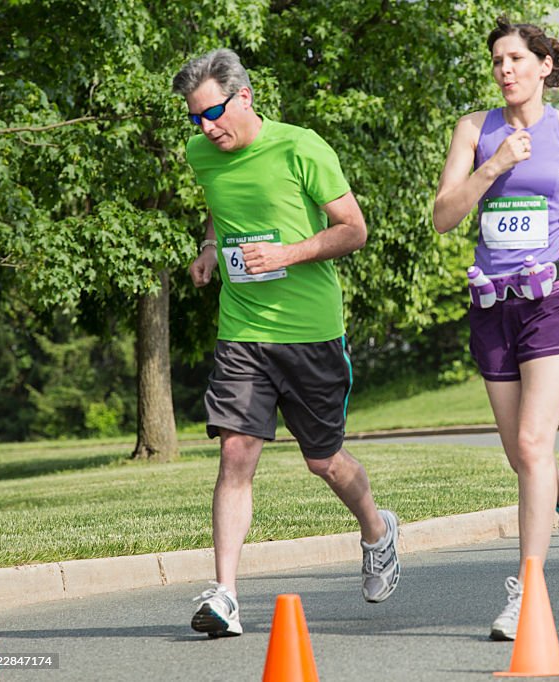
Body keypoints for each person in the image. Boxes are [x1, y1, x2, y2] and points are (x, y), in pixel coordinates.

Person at [172, 48, 399, 637]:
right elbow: (222, 208)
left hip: (310, 332)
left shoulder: (303, 146)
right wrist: (208, 248)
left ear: (244, 97)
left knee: (323, 460)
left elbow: (355, 230)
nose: (206, 127)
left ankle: (377, 529)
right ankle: (225, 595)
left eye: (214, 113)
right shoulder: (201, 153)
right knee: (235, 453)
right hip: (242, 330)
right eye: (195, 117)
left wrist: (288, 253)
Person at [433, 17, 559, 640]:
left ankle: (527, 589)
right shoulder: (474, 129)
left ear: (545, 66)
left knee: (533, 441)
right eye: (497, 61)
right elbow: (443, 217)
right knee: (522, 453)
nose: (506, 70)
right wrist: (491, 167)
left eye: (517, 59)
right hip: (494, 304)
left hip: (555, 298)